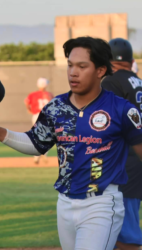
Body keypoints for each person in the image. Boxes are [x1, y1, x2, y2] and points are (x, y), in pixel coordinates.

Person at [0, 37, 142, 250]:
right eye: (70, 65)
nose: (73, 72)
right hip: (64, 204)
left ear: (100, 71)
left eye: (82, 66)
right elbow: (36, 144)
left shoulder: (122, 109)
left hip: (101, 203)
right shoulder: (56, 107)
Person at [101, 38, 142, 250]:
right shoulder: (137, 81)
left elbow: (109, 124)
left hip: (125, 161)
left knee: (123, 233)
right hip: (137, 159)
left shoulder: (111, 82)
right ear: (131, 60)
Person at [24, 77, 53, 164]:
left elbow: (26, 102)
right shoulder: (49, 94)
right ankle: (43, 153)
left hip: (36, 116)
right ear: (45, 85)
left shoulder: (33, 94)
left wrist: (29, 109)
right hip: (47, 117)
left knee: (36, 137)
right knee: (46, 137)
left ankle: (36, 157)